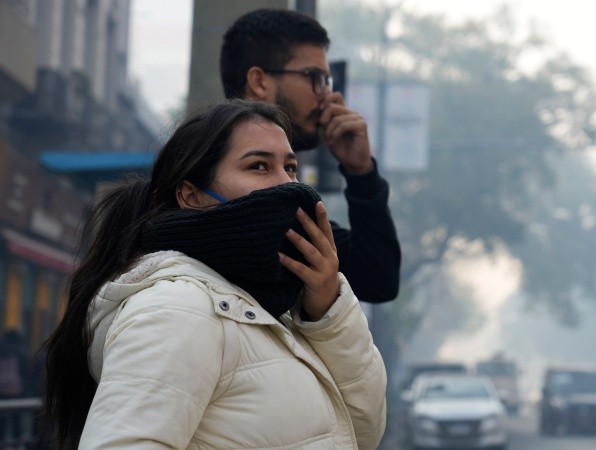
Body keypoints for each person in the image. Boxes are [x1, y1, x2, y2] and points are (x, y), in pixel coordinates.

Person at [41, 100, 387, 449]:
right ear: (191, 195)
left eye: (291, 167)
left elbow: (362, 430)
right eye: (259, 166)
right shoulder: (177, 306)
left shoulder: (274, 307)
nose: (285, 183)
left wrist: (328, 312)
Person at [220, 9, 401, 303]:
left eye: (290, 168)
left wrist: (361, 172)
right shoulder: (198, 187)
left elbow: (378, 279)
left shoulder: (293, 218)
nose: (327, 97)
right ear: (259, 81)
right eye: (314, 77)